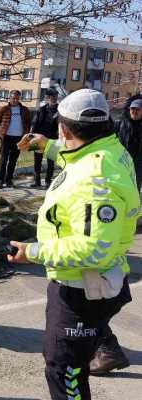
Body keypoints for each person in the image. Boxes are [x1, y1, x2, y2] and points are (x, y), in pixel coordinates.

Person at [9, 89, 137, 400]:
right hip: (97, 281)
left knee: (64, 369)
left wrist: (34, 252)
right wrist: (47, 146)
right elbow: (79, 157)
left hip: (82, 286)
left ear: (65, 128)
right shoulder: (110, 149)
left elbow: (94, 249)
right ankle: (108, 350)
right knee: (70, 363)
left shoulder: (94, 177)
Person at [89, 95, 142, 375]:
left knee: (84, 304)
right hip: (113, 251)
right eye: (132, 109)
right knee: (88, 304)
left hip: (103, 254)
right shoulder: (118, 137)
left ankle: (108, 350)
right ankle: (105, 349)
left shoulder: (104, 159)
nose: (135, 113)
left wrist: (37, 252)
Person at [0, 90, 32, 188]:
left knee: (13, 160)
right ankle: (0, 181)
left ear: (19, 99)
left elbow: (28, 123)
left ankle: (9, 180)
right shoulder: (4, 109)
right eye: (13, 98)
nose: (15, 100)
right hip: (6, 138)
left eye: (17, 98)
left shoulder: (24, 110)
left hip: (19, 138)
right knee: (3, 160)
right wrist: (0, 135)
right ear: (9, 98)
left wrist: (25, 135)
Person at [30, 89, 59, 188]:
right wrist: (32, 135)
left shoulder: (60, 110)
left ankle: (47, 182)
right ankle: (37, 181)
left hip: (53, 139)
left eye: (55, 96)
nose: (54, 98)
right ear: (47, 98)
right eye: (51, 97)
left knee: (51, 162)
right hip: (39, 138)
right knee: (37, 161)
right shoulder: (41, 109)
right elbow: (35, 123)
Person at [114, 96, 142, 190]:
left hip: (138, 165)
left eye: (137, 109)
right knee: (119, 187)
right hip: (122, 162)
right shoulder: (120, 123)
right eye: (132, 109)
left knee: (134, 188)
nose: (134, 111)